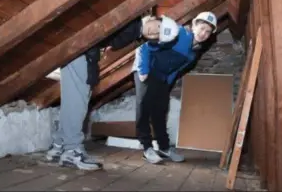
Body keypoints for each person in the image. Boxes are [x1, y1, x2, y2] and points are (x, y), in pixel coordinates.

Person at [46, 15, 181, 170]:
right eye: (158, 27)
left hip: (80, 52)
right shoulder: (132, 17)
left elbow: (111, 41)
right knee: (77, 104)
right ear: (155, 18)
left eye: (158, 35)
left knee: (72, 103)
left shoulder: (134, 31)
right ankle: (71, 151)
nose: (154, 32)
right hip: (80, 51)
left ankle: (58, 146)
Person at [132, 11, 218, 164]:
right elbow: (144, 47)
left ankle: (164, 147)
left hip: (162, 78)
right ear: (194, 25)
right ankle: (146, 148)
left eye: (208, 31)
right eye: (202, 28)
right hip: (146, 70)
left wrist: (167, 83)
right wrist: (143, 70)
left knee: (160, 110)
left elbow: (176, 70)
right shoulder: (177, 33)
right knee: (144, 106)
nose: (204, 33)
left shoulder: (194, 52)